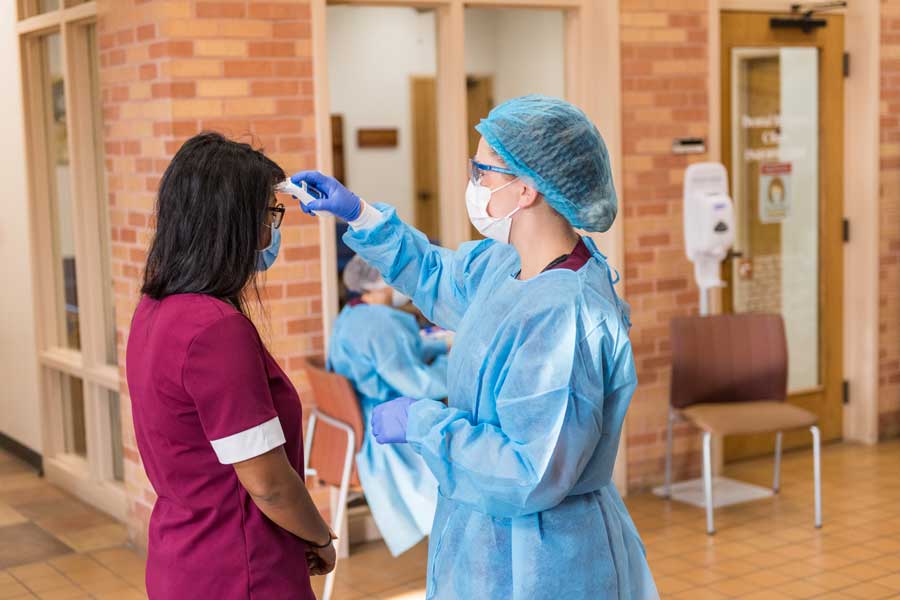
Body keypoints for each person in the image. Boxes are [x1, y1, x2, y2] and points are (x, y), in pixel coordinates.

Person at [291, 95, 658, 599]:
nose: (475, 184)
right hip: (485, 543)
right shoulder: (504, 267)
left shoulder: (564, 312)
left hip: (545, 561)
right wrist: (359, 215)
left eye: (481, 171)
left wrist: (423, 423)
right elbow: (438, 275)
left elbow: (531, 473)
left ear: (525, 189)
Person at [126, 133, 336, 600]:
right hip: (239, 569)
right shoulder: (216, 330)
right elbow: (269, 485)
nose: (270, 232)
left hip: (181, 555)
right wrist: (319, 536)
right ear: (231, 224)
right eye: (268, 214)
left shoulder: (154, 310)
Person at [328, 255, 446, 556]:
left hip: (362, 418)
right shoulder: (380, 325)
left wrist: (439, 344)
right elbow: (417, 384)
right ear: (385, 280)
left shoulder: (354, 314)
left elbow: (402, 351)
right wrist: (457, 361)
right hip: (387, 426)